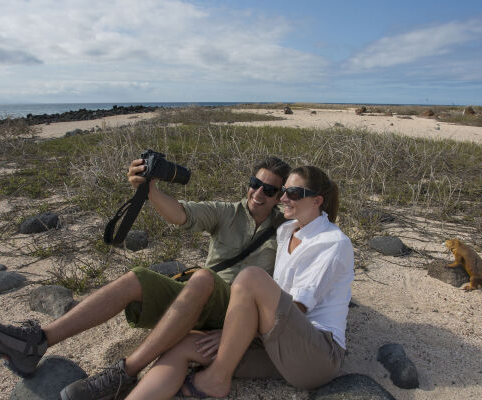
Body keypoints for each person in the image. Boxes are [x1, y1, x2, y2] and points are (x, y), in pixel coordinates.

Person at [0, 155, 291, 400]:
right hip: (200, 296)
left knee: (204, 278)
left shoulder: (287, 232)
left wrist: (236, 331)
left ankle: (124, 374)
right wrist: (150, 191)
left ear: (280, 196)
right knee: (136, 277)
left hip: (235, 308)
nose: (258, 192)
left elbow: (287, 294)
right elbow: (181, 214)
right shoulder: (227, 212)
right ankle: (38, 341)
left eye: (269, 189)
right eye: (254, 183)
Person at [125, 165, 354, 399]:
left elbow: (297, 307)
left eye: (293, 193)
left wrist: (230, 335)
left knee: (251, 277)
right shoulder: (286, 230)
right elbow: (184, 215)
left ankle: (216, 378)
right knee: (186, 346)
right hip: (277, 348)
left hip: (316, 356)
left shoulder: (332, 242)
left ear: (317, 201)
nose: (283, 197)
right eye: (284, 190)